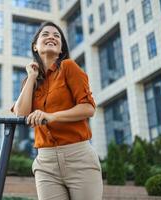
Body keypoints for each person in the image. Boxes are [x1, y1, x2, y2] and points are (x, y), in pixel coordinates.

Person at [11, 21, 103, 200]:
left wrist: (52, 116)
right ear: (35, 47)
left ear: (61, 49)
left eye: (56, 36)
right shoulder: (30, 82)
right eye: (45, 34)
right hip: (46, 163)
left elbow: (88, 108)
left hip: (79, 157)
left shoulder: (69, 67)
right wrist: (31, 77)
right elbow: (21, 114)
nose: (51, 37)